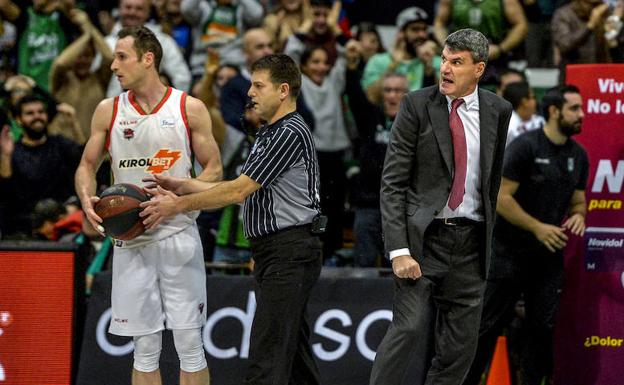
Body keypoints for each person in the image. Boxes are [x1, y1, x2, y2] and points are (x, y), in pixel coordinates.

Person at [140, 53, 324, 385]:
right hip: (280, 251)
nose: (250, 93)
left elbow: (238, 192)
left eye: (258, 86)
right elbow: (234, 186)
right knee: (294, 355)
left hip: (289, 250)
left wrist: (177, 205)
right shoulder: (271, 131)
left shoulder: (288, 132)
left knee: (267, 357)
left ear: (283, 90)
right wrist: (181, 184)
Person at [75, 25, 222, 385]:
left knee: (190, 344)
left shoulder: (189, 108)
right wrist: (86, 198)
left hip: (178, 234)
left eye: (121, 57)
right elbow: (86, 166)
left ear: (148, 58)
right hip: (130, 240)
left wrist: (178, 201)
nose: (113, 65)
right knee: (144, 349)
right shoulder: (108, 110)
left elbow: (215, 172)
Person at [370, 28, 512, 385]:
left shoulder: (498, 110)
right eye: (444, 60)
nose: (445, 69)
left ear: (478, 69)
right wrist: (399, 249)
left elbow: (491, 181)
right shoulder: (417, 104)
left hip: (471, 244)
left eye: (457, 62)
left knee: (459, 351)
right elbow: (392, 183)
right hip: (424, 239)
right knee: (408, 328)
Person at [463, 85, 589, 385]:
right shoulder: (525, 147)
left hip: (547, 258)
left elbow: (578, 200)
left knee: (542, 329)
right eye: (575, 108)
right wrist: (537, 227)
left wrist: (579, 216)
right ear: (555, 111)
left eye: (581, 108)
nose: (582, 114)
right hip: (509, 253)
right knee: (487, 327)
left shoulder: (579, 155)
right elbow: (501, 198)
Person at [344, 39, 408, 267]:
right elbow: (354, 94)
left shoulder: (417, 124)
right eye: (388, 90)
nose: (392, 96)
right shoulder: (369, 119)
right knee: (363, 267)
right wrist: (351, 66)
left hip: (402, 208)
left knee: (401, 270)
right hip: (369, 205)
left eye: (398, 91)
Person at [0, 94, 82, 237]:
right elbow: (7, 194)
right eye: (30, 113)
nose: (37, 117)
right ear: (18, 119)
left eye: (41, 112)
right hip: (25, 227)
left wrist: (74, 124)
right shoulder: (12, 150)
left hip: (62, 224)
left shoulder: (60, 144)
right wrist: (6, 156)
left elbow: (86, 163)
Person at [502, 81, 544, 147]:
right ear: (524, 102)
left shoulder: (540, 121)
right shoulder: (508, 126)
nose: (535, 101)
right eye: (533, 97)